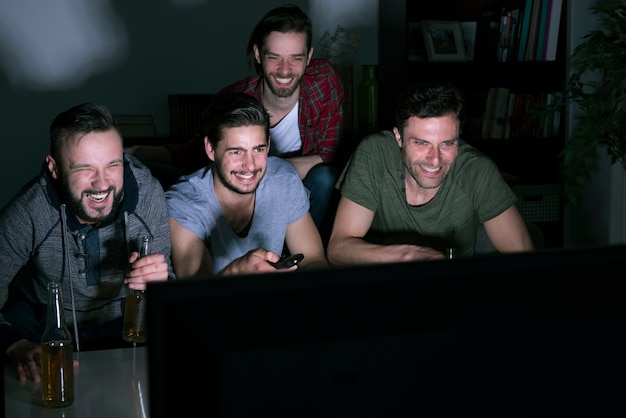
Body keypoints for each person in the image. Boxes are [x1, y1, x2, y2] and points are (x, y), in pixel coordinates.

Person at [126, 4, 344, 231]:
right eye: (274, 58)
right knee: (143, 172)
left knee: (324, 179)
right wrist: (144, 152)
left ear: (309, 56)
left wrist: (260, 169)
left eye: (296, 58)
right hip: (236, 194)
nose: (285, 70)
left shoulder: (324, 81)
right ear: (258, 54)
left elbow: (329, 157)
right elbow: (197, 154)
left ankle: (305, 259)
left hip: (298, 197)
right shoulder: (233, 98)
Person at [0, 102, 175, 382]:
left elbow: (170, 288)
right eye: (85, 168)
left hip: (123, 330)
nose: (102, 183)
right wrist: (14, 345)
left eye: (113, 165)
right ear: (54, 168)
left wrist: (161, 282)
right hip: (43, 332)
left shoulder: (148, 193)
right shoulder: (28, 211)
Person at [327, 81, 535, 265]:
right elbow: (338, 249)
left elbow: (526, 259)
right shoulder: (374, 154)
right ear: (398, 137)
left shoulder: (476, 169)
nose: (435, 159)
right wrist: (409, 256)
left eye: (447, 143)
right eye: (421, 143)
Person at [165, 92, 328, 278]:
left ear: (268, 145)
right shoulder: (184, 204)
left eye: (258, 149)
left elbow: (314, 260)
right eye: (236, 152)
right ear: (211, 149)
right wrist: (236, 271)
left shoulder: (283, 179)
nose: (250, 165)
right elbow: (194, 299)